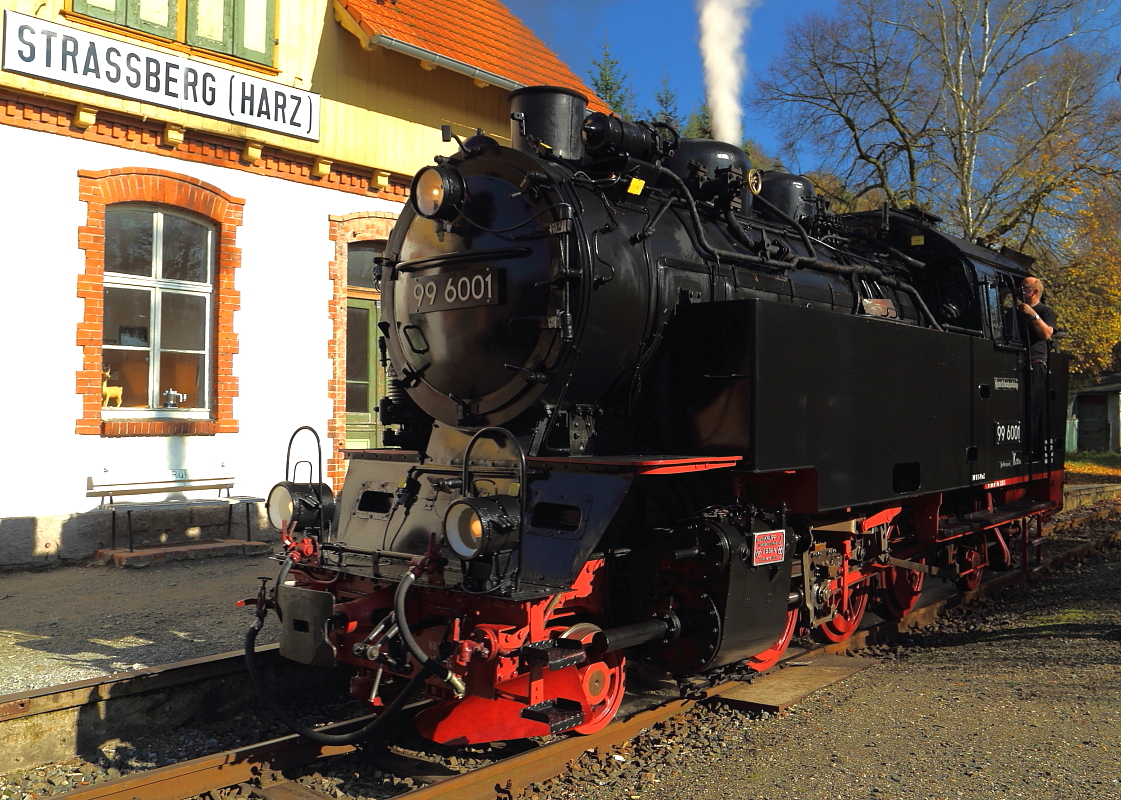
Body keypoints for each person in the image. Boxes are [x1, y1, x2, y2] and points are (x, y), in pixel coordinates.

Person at [1017, 276, 1056, 456]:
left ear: (1034, 292)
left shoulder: (1045, 312)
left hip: (1035, 362)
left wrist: (1033, 315)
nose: (1021, 291)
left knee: (1032, 407)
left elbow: (1046, 334)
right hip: (1015, 361)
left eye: (1024, 288)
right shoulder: (1014, 312)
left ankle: (1030, 448)